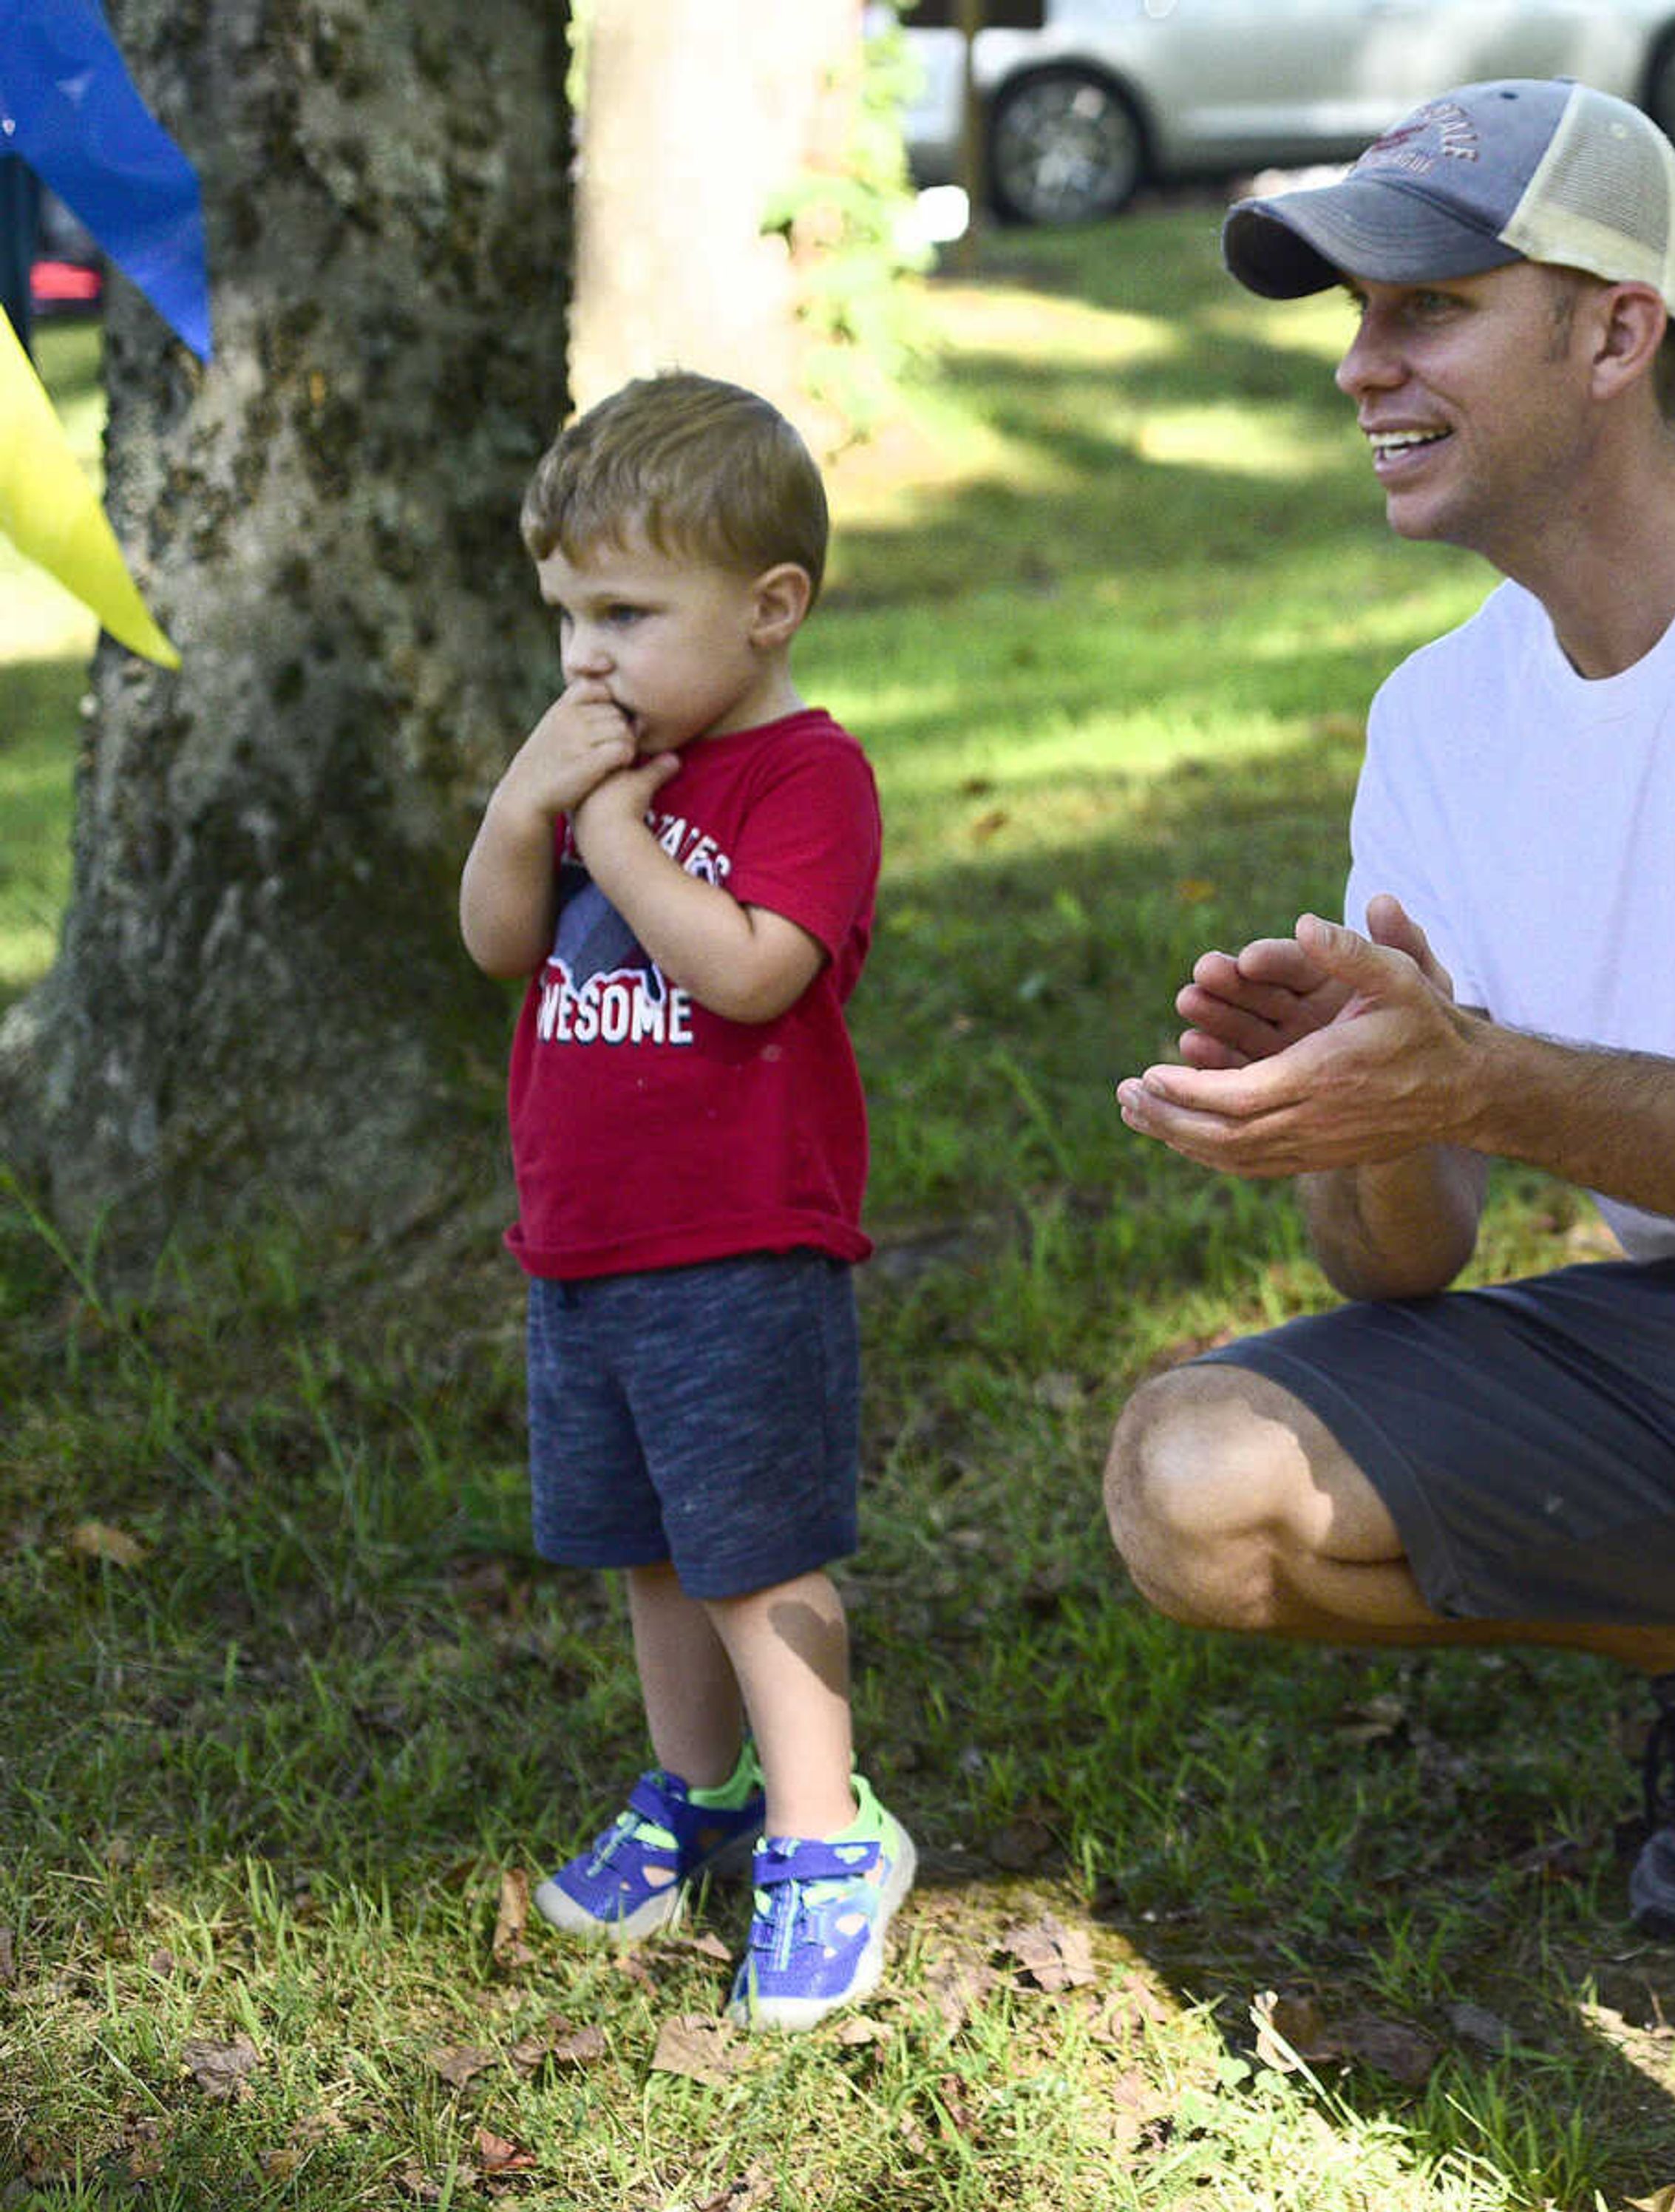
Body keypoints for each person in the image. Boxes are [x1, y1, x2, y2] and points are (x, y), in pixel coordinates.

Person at [1110, 78, 1675, 2212]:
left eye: (1425, 308)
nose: (1362, 365)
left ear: (1616, 335)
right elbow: (1398, 1266)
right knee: (1192, 1490)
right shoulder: (1437, 713)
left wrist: (1484, 1077)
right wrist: (1342, 1100)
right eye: (1355, 316)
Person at [458, 371, 909, 2035]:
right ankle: (694, 1787)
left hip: (739, 1249)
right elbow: (502, 941)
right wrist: (530, 807)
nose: (588, 654)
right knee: (649, 1550)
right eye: (570, 613)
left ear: (771, 608)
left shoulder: (806, 779)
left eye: (630, 614)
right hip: (585, 1248)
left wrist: (616, 829)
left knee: (754, 1550)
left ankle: (826, 1832)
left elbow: (749, 970)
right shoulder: (587, 771)